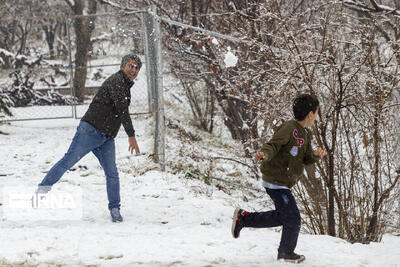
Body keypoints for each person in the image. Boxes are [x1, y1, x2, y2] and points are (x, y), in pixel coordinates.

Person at [37, 54, 142, 222]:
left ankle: (115, 208)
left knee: (112, 173)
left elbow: (119, 110)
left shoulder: (125, 85)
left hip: (106, 137)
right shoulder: (116, 81)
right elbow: (122, 110)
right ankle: (42, 190)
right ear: (123, 66)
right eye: (131, 66)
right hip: (90, 131)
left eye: (137, 68)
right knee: (68, 161)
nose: (134, 70)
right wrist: (131, 136)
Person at [231, 93, 327, 263]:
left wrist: (315, 156)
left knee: (284, 216)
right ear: (310, 114)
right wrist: (264, 154)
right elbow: (273, 145)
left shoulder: (306, 134)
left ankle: (243, 218)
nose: (316, 116)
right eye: (317, 112)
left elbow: (305, 159)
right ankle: (286, 252)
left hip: (283, 182)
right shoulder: (289, 128)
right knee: (294, 218)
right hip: (275, 181)